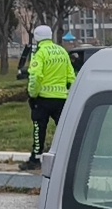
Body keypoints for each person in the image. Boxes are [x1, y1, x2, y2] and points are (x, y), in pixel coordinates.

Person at [23, 24, 74, 170]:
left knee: (39, 129)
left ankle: (35, 159)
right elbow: (71, 76)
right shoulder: (62, 52)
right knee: (64, 129)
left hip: (43, 99)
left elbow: (36, 76)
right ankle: (68, 156)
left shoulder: (40, 53)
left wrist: (32, 94)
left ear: (37, 37)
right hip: (62, 99)